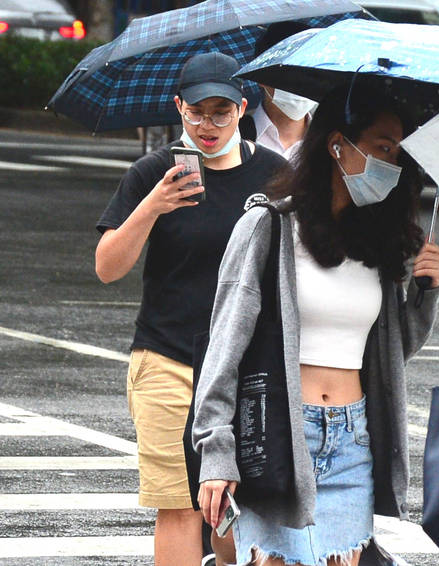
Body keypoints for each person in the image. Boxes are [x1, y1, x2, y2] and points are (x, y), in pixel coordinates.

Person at [192, 83, 439, 566]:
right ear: (337, 145)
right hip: (282, 434)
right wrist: (216, 452)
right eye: (383, 147)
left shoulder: (378, 244)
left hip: (353, 441)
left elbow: (391, 353)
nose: (392, 164)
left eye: (398, 152)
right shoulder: (269, 226)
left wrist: (426, 292)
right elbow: (224, 347)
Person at [94, 51, 287, 566]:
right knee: (179, 506)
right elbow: (108, 267)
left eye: (221, 112)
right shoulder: (152, 173)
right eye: (197, 112)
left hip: (247, 368)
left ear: (243, 109)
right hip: (168, 360)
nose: (208, 125)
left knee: (235, 506)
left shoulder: (275, 175)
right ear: (178, 107)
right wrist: (151, 207)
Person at [239, 21, 317, 161]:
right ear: (260, 74)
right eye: (289, 71)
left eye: (311, 70)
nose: (301, 82)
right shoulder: (234, 137)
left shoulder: (333, 139)